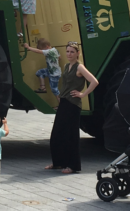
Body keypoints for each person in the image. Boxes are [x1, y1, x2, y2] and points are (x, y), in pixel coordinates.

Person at [45, 42, 98, 174]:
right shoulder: (67, 66)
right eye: (67, 51)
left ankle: (73, 166)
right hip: (64, 102)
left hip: (73, 104)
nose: (69, 54)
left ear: (77, 53)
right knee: (57, 134)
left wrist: (83, 94)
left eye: (72, 52)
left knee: (71, 135)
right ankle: (58, 162)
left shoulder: (80, 67)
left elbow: (94, 81)